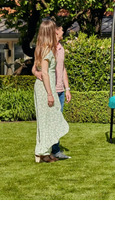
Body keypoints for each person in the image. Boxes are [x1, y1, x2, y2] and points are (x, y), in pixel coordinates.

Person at [33, 22, 72, 160]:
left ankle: (46, 151)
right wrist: (49, 93)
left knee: (50, 121)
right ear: (53, 31)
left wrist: (67, 88)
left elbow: (61, 69)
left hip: (54, 89)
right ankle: (44, 151)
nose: (62, 32)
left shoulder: (50, 48)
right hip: (48, 89)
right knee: (48, 121)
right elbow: (42, 72)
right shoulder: (46, 49)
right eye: (60, 29)